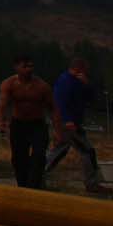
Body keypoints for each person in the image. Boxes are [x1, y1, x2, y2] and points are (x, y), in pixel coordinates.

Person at [0, 54, 58, 189]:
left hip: (37, 125)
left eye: (31, 66)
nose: (29, 69)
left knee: (39, 156)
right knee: (19, 159)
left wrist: (57, 130)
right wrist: (1, 121)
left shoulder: (42, 86)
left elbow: (53, 109)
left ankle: (33, 187)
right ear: (16, 67)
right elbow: (2, 104)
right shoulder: (9, 84)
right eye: (25, 66)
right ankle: (23, 187)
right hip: (19, 125)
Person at [46, 57, 105, 193]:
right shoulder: (65, 81)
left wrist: (87, 85)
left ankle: (36, 174)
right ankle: (91, 183)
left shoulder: (78, 81)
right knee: (87, 151)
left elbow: (91, 98)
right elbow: (59, 102)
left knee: (59, 151)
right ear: (79, 68)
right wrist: (67, 120)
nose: (87, 71)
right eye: (86, 68)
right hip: (68, 124)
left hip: (74, 122)